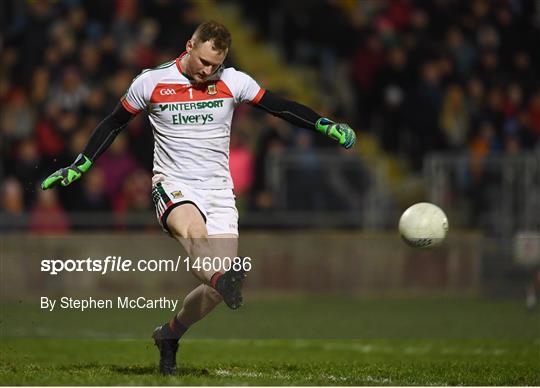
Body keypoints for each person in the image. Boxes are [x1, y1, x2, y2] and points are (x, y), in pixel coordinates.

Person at [41, 21, 356, 375]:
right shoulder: (151, 82)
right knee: (198, 240)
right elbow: (114, 123)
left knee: (218, 289)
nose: (208, 71)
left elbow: (279, 107)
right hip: (173, 185)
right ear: (190, 45)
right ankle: (222, 278)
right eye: (204, 61)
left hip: (219, 191)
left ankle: (170, 334)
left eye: (215, 65)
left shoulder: (233, 81)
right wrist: (80, 165)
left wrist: (323, 124)